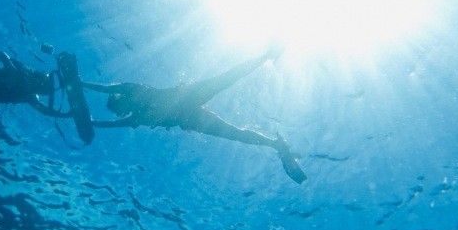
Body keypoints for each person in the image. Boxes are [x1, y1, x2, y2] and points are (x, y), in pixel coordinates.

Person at [82, 48, 307, 184]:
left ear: (121, 100)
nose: (122, 111)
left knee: (225, 79)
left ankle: (266, 55)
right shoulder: (136, 117)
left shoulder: (131, 90)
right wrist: (91, 122)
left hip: (185, 98)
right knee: (233, 134)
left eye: (119, 107)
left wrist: (80, 83)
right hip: (188, 119)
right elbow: (114, 124)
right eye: (121, 111)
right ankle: (275, 144)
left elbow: (106, 88)